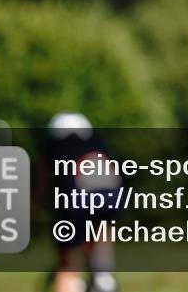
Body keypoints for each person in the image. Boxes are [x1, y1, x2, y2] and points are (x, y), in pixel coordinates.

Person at [43, 112, 121, 292]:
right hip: (111, 200)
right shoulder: (99, 145)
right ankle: (103, 277)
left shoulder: (55, 147)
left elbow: (44, 181)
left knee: (69, 263)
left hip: (76, 201)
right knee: (101, 230)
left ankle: (73, 284)